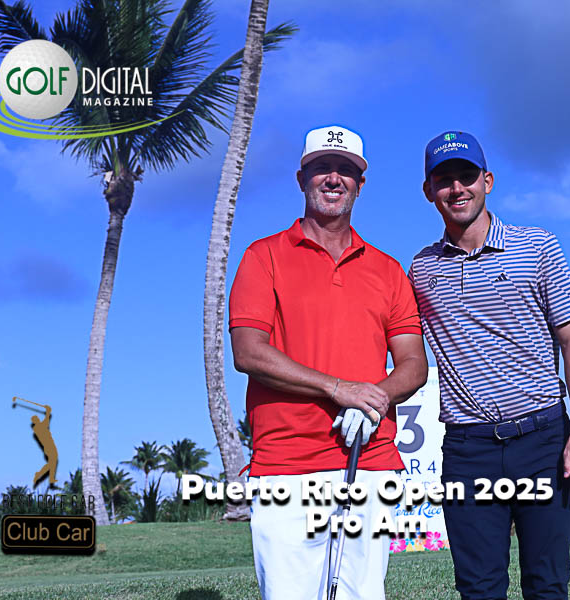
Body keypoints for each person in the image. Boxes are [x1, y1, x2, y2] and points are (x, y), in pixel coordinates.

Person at [229, 125, 428, 600]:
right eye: (321, 168)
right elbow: (248, 351)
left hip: (370, 460)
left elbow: (413, 363)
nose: (333, 178)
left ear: (360, 184)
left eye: (345, 170)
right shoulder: (263, 256)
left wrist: (374, 401)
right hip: (286, 465)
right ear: (302, 179)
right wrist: (340, 390)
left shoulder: (388, 270)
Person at [409, 131, 570, 600]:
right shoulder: (421, 269)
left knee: (547, 583)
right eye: (445, 180)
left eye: (467, 176)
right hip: (467, 450)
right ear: (429, 191)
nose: (458, 188)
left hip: (543, 440)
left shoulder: (537, 247)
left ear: (487, 181)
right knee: (478, 589)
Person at [31, 404, 58, 486]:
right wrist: (48, 412)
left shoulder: (39, 427)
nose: (38, 419)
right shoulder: (38, 428)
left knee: (53, 462)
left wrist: (48, 412)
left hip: (50, 445)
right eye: (36, 419)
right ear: (35, 421)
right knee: (52, 462)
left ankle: (50, 478)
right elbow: (47, 420)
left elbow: (46, 420)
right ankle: (40, 475)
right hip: (48, 447)